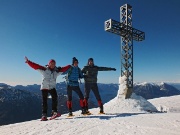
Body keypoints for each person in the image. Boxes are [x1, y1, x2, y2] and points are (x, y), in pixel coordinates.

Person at [25, 56, 71, 121]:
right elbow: (36, 66)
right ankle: (44, 115)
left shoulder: (56, 71)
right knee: (44, 102)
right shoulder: (44, 70)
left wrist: (69, 66)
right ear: (49, 64)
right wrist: (28, 62)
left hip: (52, 87)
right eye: (51, 64)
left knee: (55, 98)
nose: (52, 65)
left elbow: (63, 69)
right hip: (45, 87)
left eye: (53, 64)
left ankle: (54, 112)